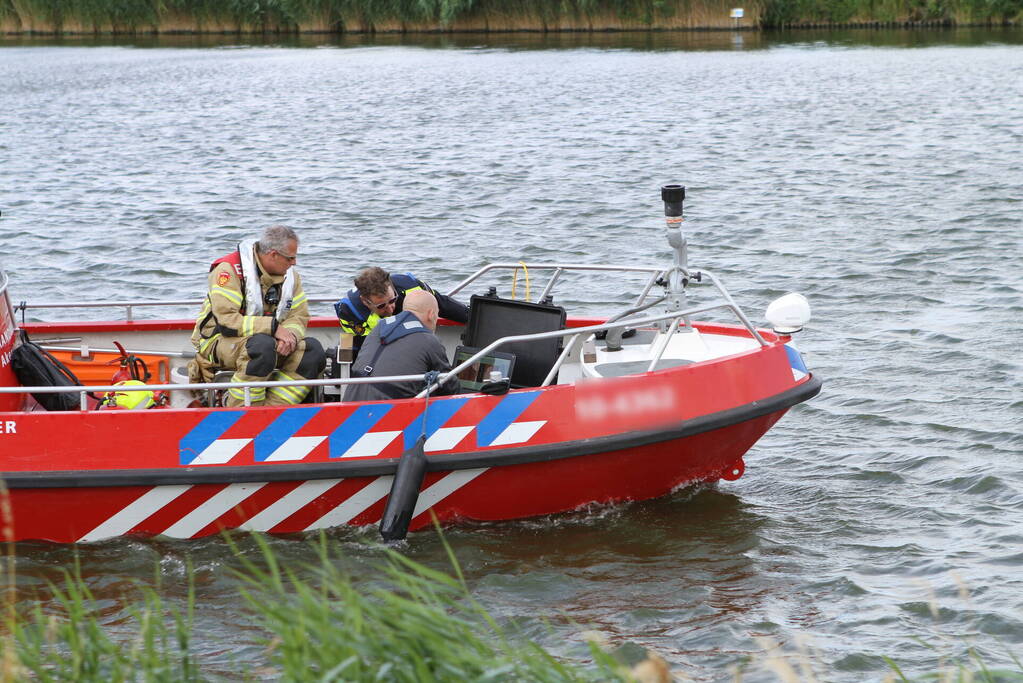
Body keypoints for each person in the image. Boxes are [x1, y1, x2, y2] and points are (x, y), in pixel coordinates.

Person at [190, 225, 325, 407]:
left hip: (268, 341)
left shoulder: (291, 277)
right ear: (273, 254)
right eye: (290, 258)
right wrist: (273, 328)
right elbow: (227, 321)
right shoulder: (228, 271)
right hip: (219, 341)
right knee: (262, 347)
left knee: (313, 350)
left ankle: (271, 411)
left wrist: (290, 337)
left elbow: (299, 315)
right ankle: (239, 409)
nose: (294, 263)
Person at [344, 290, 461, 403]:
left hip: (349, 404)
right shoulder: (429, 340)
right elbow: (450, 387)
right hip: (385, 410)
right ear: (431, 314)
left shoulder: (379, 327)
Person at [334, 267, 469, 360]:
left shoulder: (411, 287)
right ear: (365, 301)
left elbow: (443, 304)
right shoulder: (350, 312)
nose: (390, 309)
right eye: (381, 306)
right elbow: (368, 348)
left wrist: (473, 317)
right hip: (370, 346)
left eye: (392, 300)